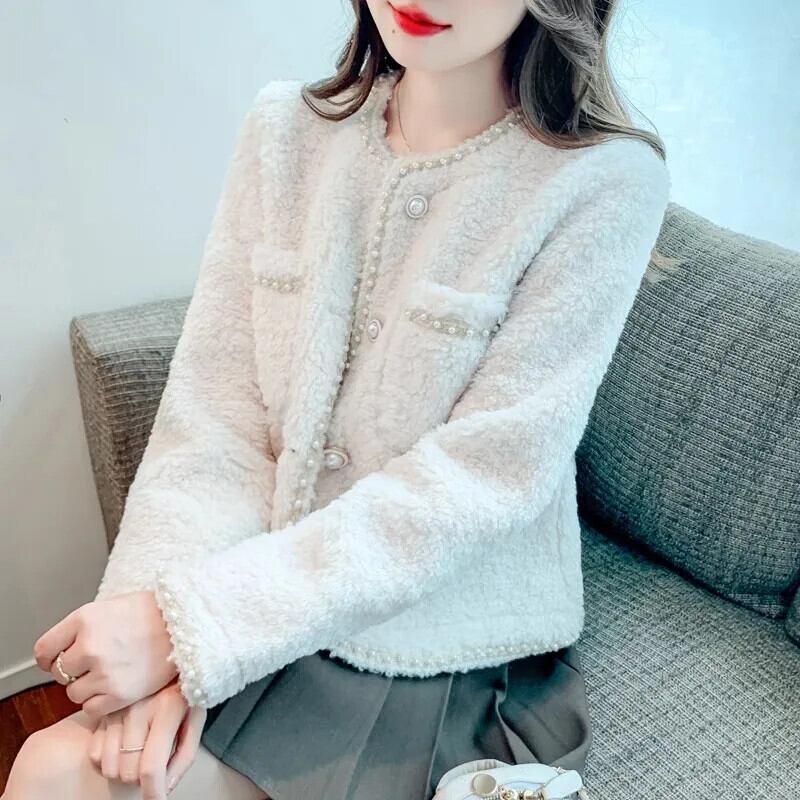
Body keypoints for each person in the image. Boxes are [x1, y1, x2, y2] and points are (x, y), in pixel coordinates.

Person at [3, 1, 671, 799]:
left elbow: (484, 478)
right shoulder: (284, 131)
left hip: (437, 637)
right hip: (255, 586)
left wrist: (193, 628)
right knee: (51, 769)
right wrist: (152, 618)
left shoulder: (602, 181)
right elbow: (214, 420)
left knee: (63, 778)